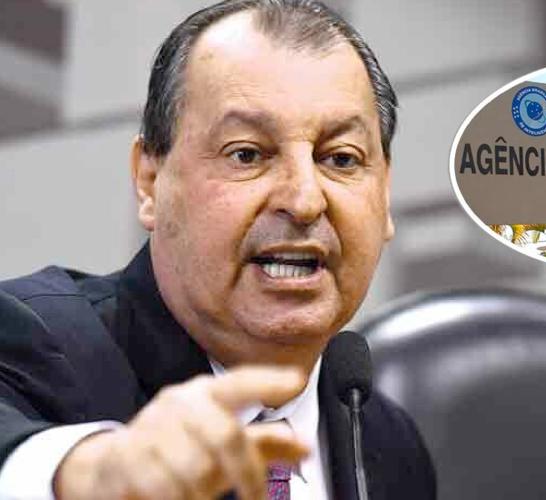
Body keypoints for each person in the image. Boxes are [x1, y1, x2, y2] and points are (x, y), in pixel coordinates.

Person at [0, 1, 436, 499]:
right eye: (246, 154)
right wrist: (87, 474)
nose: (304, 200)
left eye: (340, 159)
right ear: (149, 181)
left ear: (385, 196)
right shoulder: (32, 338)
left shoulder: (387, 441)